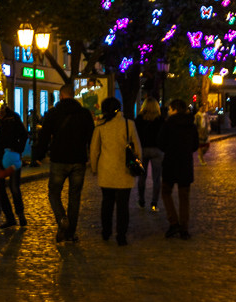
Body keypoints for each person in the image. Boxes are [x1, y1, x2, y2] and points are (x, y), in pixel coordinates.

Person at [33, 88, 95, 244]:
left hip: (59, 159)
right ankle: (70, 233)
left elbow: (44, 136)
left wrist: (38, 156)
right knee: (74, 198)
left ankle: (61, 218)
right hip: (78, 160)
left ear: (60, 96)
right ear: (73, 96)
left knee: (54, 193)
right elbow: (91, 137)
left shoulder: (53, 113)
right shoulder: (84, 114)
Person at [89, 97, 142, 245]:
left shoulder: (100, 126)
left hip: (106, 170)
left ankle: (106, 232)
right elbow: (137, 148)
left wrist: (94, 167)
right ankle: (121, 235)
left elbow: (94, 150)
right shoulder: (128, 124)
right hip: (124, 171)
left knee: (107, 203)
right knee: (123, 205)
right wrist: (138, 165)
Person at [160, 98, 200, 240]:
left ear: (174, 109)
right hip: (185, 164)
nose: (169, 111)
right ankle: (184, 228)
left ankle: (173, 222)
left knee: (166, 192)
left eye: (170, 109)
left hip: (171, 163)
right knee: (184, 197)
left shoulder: (168, 124)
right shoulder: (191, 124)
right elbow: (195, 145)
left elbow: (162, 144)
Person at [0, 105, 29, 227]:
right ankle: (10, 218)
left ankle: (21, 215)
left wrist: (18, 149)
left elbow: (23, 135)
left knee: (14, 188)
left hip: (12, 155)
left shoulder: (13, 117)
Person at [134, 97, 165, 211]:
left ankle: (141, 201)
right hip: (157, 150)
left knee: (142, 177)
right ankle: (154, 203)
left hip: (142, 149)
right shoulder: (160, 120)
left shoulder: (139, 119)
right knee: (157, 178)